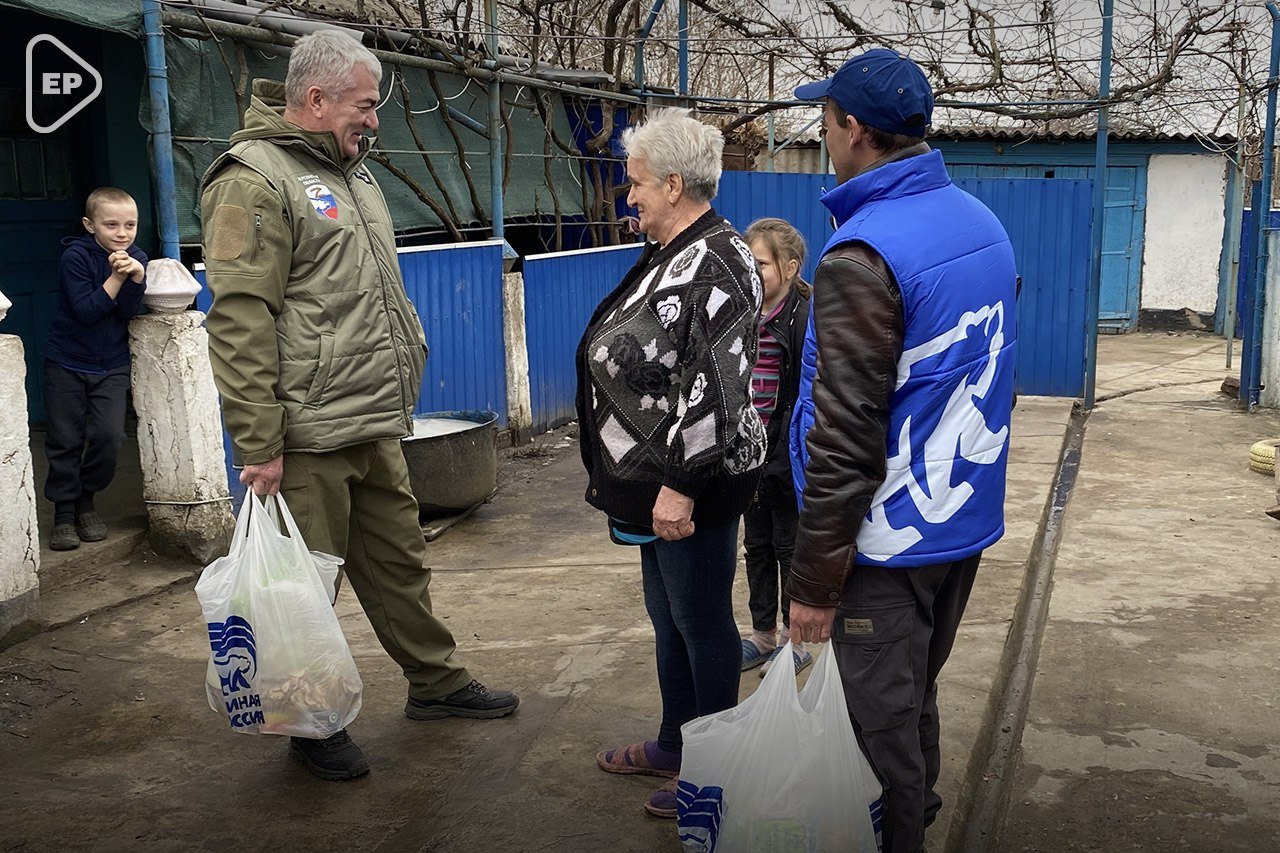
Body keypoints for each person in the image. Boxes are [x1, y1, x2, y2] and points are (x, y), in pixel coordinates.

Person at [200, 29, 518, 783]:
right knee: (302, 585)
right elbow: (240, 315)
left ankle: (436, 684)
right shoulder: (253, 178)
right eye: (365, 105)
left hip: (370, 418)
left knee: (399, 560)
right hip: (304, 433)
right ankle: (308, 722)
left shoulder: (357, 176)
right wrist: (259, 438)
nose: (374, 119)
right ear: (316, 99)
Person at [787, 49, 1017, 852]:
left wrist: (814, 581)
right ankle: (915, 815)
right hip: (957, 524)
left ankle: (901, 833)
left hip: (884, 543)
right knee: (911, 693)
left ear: (854, 131)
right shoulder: (980, 223)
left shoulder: (863, 254)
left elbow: (844, 436)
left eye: (825, 121)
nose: (823, 135)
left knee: (878, 727)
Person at [576, 108, 766, 819]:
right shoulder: (676, 248)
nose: (631, 197)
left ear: (675, 183)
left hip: (696, 483)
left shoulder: (720, 259)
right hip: (657, 483)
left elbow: (717, 384)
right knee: (668, 617)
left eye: (638, 185)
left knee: (703, 621)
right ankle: (674, 742)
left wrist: (681, 486)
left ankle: (715, 770)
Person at [43, 187, 147, 552]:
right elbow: (86, 311)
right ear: (90, 225)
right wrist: (119, 278)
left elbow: (127, 313)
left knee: (108, 436)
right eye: (112, 224)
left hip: (111, 365)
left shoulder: (135, 258)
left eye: (130, 224)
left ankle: (86, 497)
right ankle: (65, 513)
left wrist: (136, 278)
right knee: (65, 439)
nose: (122, 233)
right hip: (67, 362)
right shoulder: (76, 257)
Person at [738, 218, 813, 678]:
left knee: (791, 547)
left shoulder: (805, 317)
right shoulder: (744, 312)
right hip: (748, 454)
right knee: (757, 545)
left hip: (786, 454)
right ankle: (763, 636)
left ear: (789, 267)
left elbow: (809, 392)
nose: (752, 271)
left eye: (760, 263)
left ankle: (796, 642)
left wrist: (789, 451)